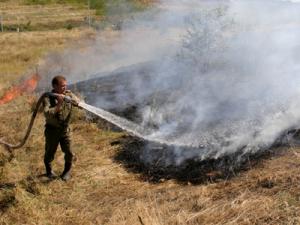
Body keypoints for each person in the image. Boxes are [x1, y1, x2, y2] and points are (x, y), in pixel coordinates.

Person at [43, 75, 79, 181]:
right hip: (52, 130)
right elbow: (47, 113)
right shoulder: (47, 97)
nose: (65, 88)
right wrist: (59, 103)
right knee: (50, 152)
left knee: (69, 151)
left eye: (65, 85)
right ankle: (49, 171)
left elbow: (77, 101)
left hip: (65, 130)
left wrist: (79, 104)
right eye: (62, 86)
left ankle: (67, 171)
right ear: (55, 86)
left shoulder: (68, 94)